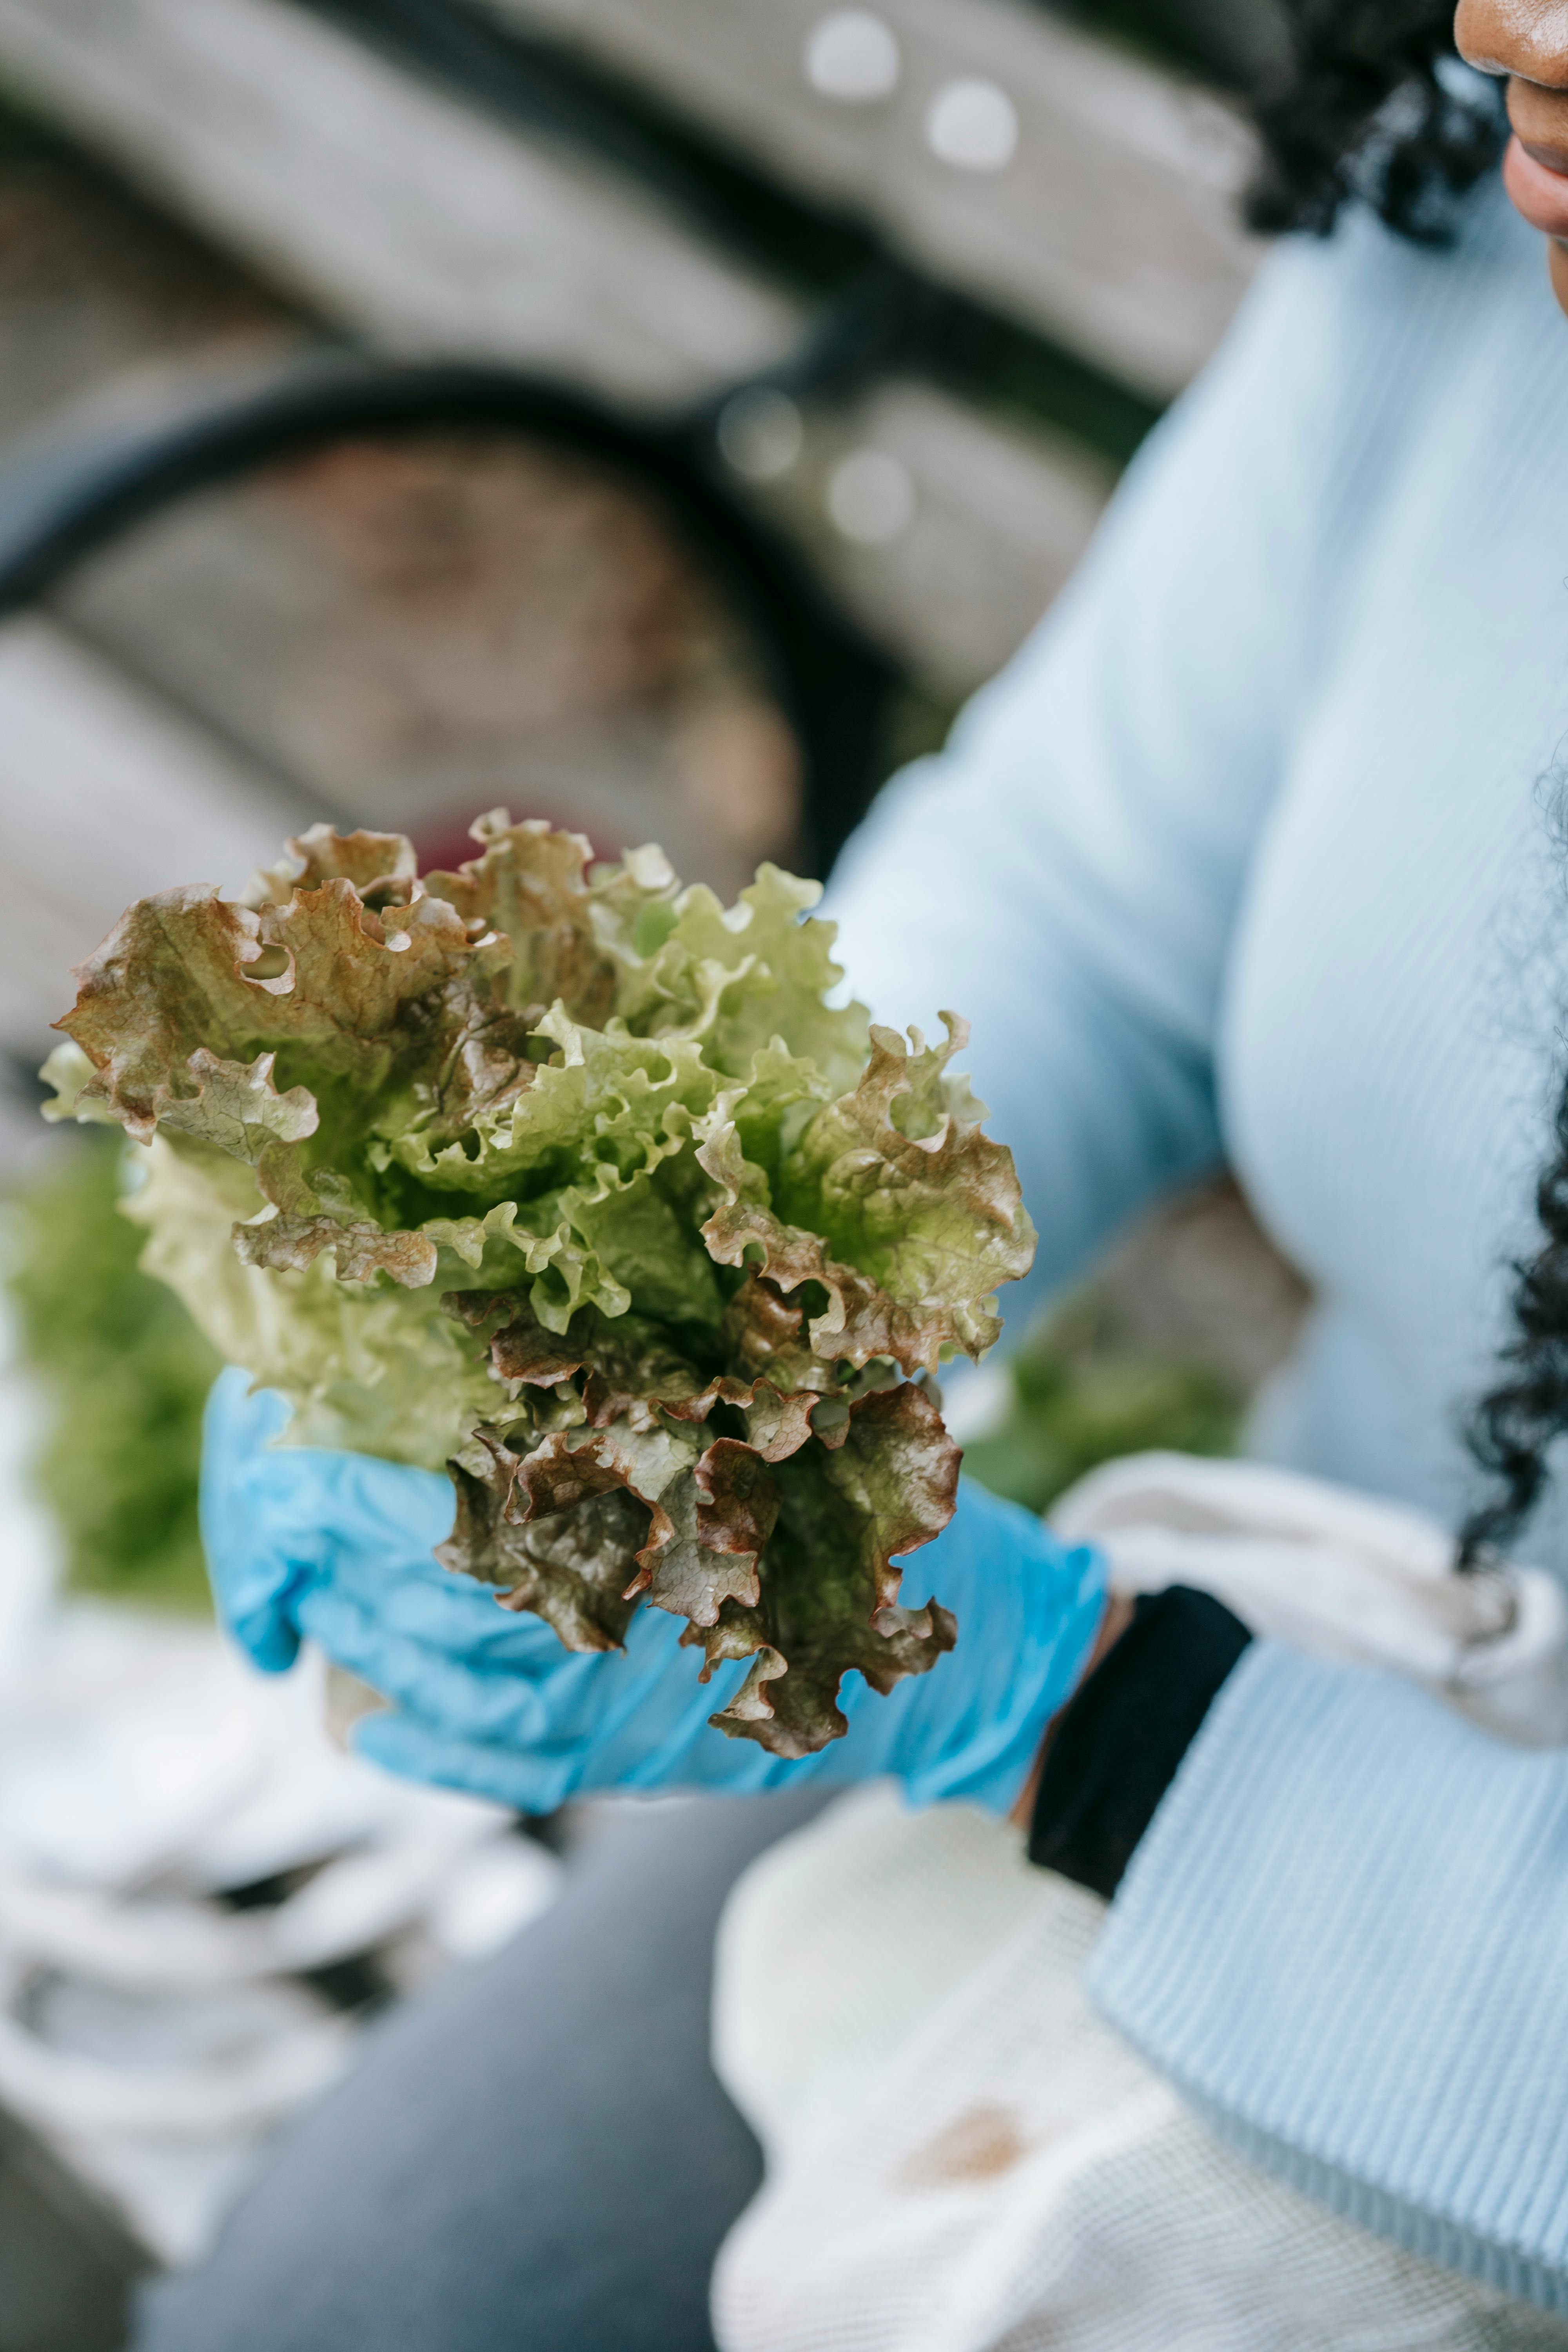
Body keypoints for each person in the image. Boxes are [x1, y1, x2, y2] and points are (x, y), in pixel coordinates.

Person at [135, 1, 1568, 2343]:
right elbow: (1099, 886)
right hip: (1298, 1616)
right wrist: (667, 1286)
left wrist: (1066, 1711)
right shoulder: (1493, 187)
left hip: (1285, 1831)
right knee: (352, 2297)